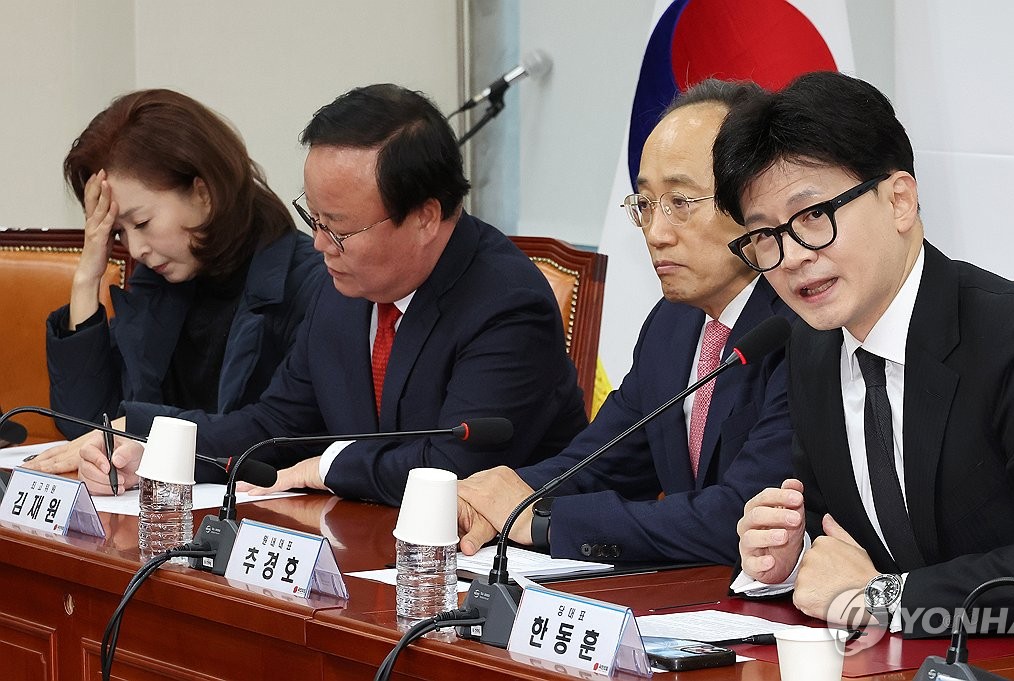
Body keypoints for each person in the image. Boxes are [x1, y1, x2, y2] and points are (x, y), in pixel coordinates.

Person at [718, 71, 1014, 655]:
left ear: (899, 200)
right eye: (766, 236)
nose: (792, 258)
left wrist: (886, 598)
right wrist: (792, 555)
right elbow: (846, 545)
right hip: (923, 661)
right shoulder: (814, 348)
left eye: (812, 217)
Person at [78, 84, 587, 504]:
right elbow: (275, 423)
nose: (320, 244)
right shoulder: (341, 288)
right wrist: (154, 448)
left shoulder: (505, 303)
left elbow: (452, 468)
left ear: (425, 217)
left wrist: (329, 465)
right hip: (368, 548)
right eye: (313, 220)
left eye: (338, 228)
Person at [456, 80, 796, 566]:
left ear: (752, 206)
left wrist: (546, 522)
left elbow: (739, 517)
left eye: (680, 203)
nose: (656, 234)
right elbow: (600, 461)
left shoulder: (799, 327)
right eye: (644, 205)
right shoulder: (672, 324)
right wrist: (496, 497)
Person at [27, 89, 324, 473]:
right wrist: (87, 276)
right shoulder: (159, 287)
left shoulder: (310, 282)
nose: (134, 249)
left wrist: (142, 430)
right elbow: (83, 426)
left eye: (142, 223)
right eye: (117, 232)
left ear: (204, 193)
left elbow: (275, 434)